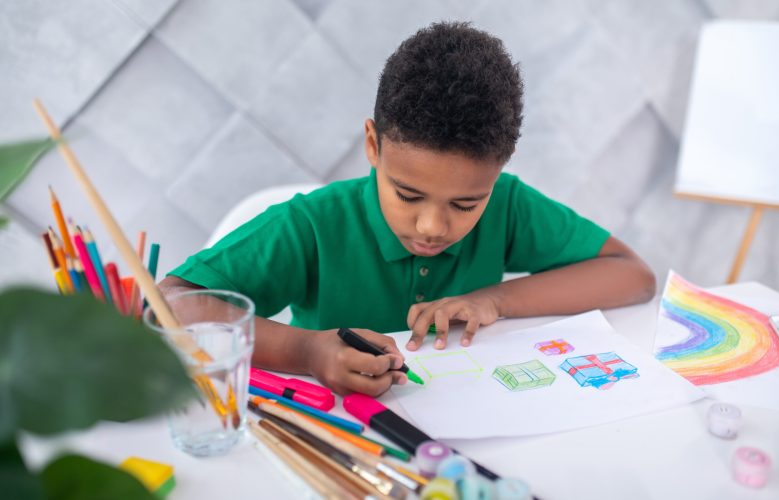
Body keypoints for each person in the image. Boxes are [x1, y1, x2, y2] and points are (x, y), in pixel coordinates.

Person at [159, 22, 655, 396]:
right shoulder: (312, 225)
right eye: (408, 195)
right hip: (337, 433)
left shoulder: (508, 204)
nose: (432, 226)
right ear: (372, 146)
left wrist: (495, 300)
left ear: (498, 172)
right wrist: (306, 351)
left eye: (466, 203)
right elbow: (169, 304)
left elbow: (632, 275)